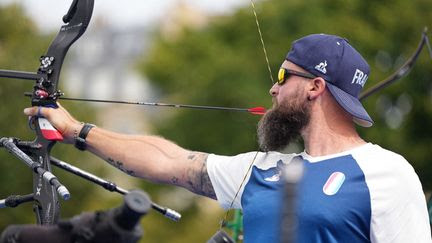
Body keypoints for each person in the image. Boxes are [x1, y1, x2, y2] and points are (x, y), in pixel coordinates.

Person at [24, 34, 431, 242]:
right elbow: (171, 161)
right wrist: (77, 130)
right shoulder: (264, 170)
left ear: (315, 87)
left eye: (283, 76)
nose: (273, 89)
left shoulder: (387, 174)